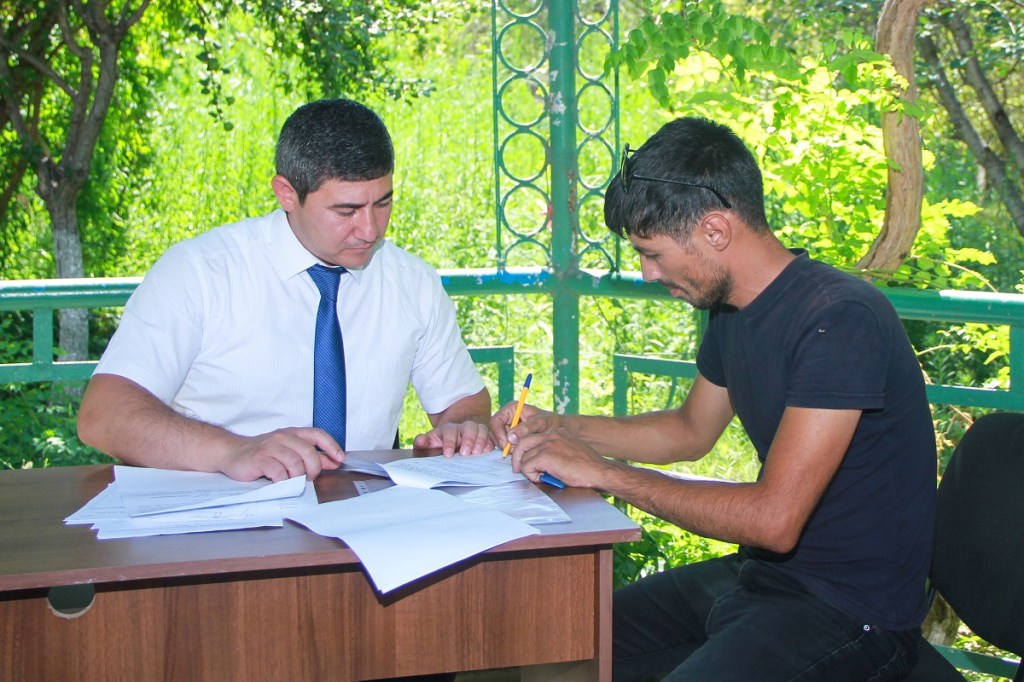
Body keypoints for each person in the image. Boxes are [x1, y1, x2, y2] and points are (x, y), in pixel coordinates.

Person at [492, 117, 936, 681]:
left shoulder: (838, 318)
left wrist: (604, 473)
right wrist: (559, 428)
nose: (647, 273)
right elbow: (688, 431)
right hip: (764, 579)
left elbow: (774, 519)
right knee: (550, 642)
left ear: (716, 230)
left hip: (852, 611)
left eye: (652, 253)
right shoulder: (732, 310)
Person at [78, 98, 492, 483]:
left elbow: (462, 402)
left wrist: (462, 428)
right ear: (287, 194)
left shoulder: (412, 281)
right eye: (346, 210)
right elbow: (104, 415)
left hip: (365, 513)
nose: (370, 229)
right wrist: (231, 451)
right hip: (221, 515)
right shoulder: (201, 272)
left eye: (382, 203)